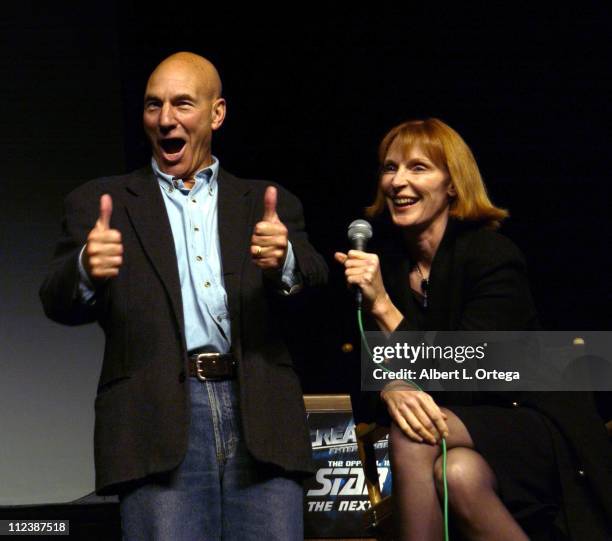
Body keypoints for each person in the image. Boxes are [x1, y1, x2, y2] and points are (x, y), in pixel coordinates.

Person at [40, 52, 327, 541]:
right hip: (156, 420)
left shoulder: (265, 202)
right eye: (154, 106)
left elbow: (316, 292)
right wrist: (86, 268)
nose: (166, 119)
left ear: (216, 114)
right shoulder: (101, 201)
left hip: (260, 415)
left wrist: (286, 262)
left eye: (182, 104)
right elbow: (55, 298)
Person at [335, 118, 612, 540]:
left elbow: (471, 376)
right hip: (460, 432)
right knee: (458, 474)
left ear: (452, 185)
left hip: (533, 422)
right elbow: (365, 377)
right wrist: (392, 385)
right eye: (390, 168)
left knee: (414, 436)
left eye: (418, 167)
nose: (398, 181)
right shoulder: (386, 266)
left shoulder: (492, 256)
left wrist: (384, 309)